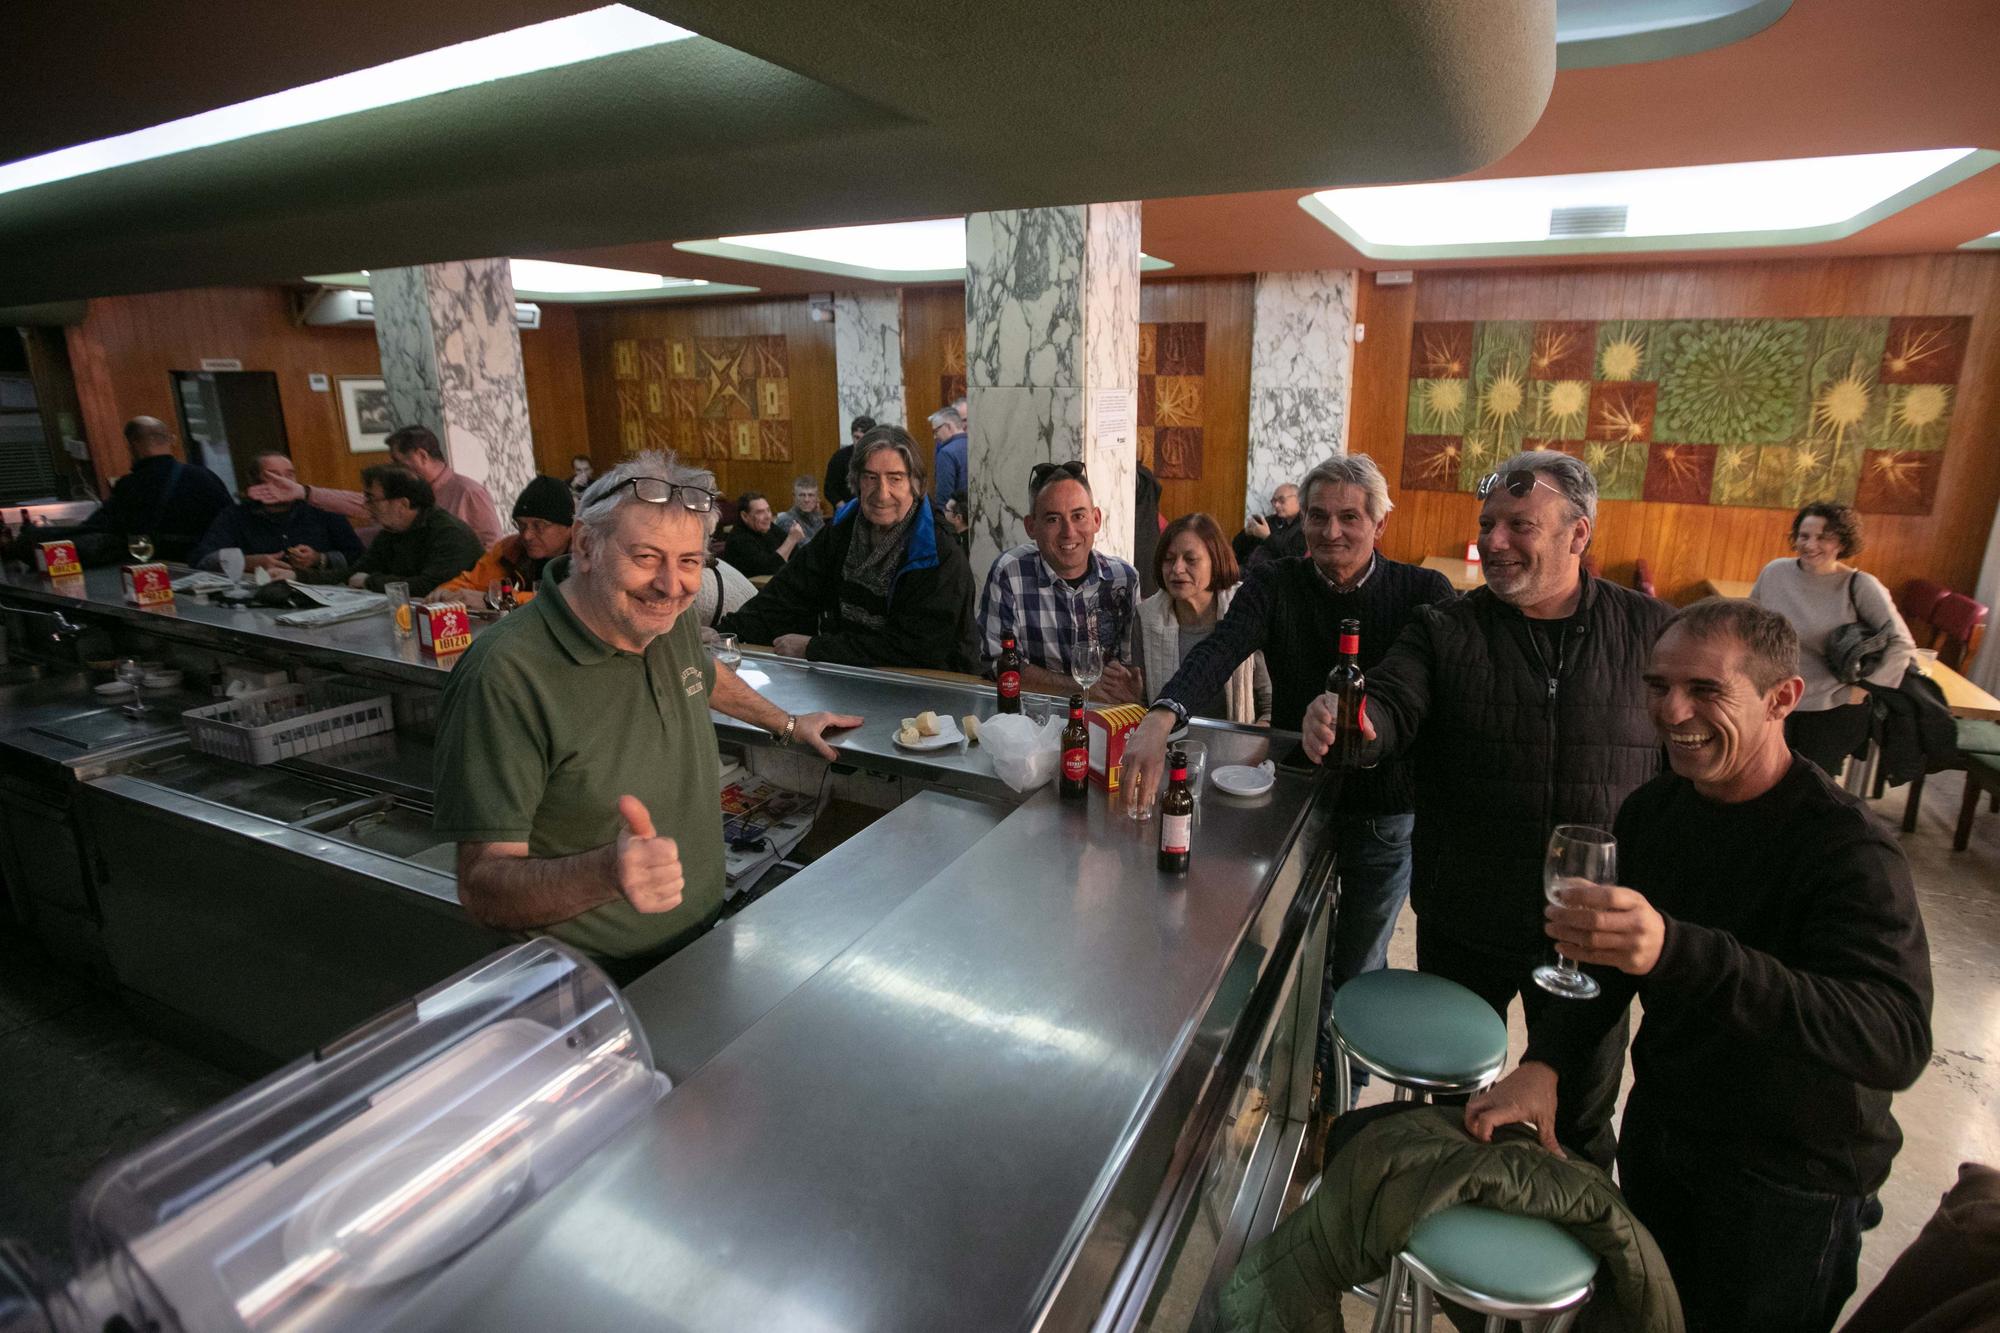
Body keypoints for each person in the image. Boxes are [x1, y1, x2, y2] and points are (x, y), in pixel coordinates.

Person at [1466, 598, 1932, 1333]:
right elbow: (1614, 968)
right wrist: (1547, 1061)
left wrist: (1679, 949)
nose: (1671, 711)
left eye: (1705, 690)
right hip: (1665, 1137)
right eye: (1657, 686)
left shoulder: (1847, 850)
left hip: (1787, 1186)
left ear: (1784, 698)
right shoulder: (1655, 811)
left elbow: (1894, 1037)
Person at [1302, 449, 1674, 1168]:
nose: (1494, 541)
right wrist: (1356, 718)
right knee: (1448, 1113)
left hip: (1588, 937)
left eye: (1519, 525)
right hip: (1466, 914)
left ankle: (1573, 1246)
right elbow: (1390, 701)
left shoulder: (1651, 635)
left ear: (1579, 534)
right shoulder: (1446, 629)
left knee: (1576, 1122)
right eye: (1488, 524)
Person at [432, 450, 861, 976]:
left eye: (689, 562)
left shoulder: (664, 619)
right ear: (586, 546)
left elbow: (701, 674)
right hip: (596, 975)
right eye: (645, 557)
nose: (671, 585)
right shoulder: (504, 676)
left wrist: (790, 724)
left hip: (704, 932)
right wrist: (608, 873)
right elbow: (482, 889)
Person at [1125, 456, 1454, 1097]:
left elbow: (1425, 704)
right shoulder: (1273, 583)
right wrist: (1163, 713)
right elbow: (1219, 649)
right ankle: (1289, 1075)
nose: (1331, 531)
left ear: (1380, 523)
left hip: (1385, 809)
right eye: (1318, 517)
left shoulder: (1423, 593)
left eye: (1349, 517)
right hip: (1297, 796)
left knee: (1359, 962)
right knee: (1288, 949)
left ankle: (1338, 1096)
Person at [720, 427, 980, 671]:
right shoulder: (841, 530)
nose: (882, 493)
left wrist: (815, 648)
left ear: (916, 485)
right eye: (871, 477)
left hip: (935, 692)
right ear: (856, 481)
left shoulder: (938, 551)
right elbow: (787, 593)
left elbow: (918, 648)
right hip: (851, 677)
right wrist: (726, 633)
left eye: (895, 478)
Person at [1750, 501, 1915, 777]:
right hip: (1775, 699)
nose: (1810, 544)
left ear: (1842, 542)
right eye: (1804, 536)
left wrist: (1867, 689)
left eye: (1823, 537)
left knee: (1806, 786)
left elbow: (1902, 644)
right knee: (1761, 778)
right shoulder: (1775, 572)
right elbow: (1751, 625)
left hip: (1832, 706)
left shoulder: (1860, 585)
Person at [976, 460, 1142, 703]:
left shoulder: (1124, 578)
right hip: (1032, 719)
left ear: (1096, 519)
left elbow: (1132, 668)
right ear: (1031, 527)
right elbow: (998, 665)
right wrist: (1081, 688)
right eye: (1053, 519)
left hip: (1106, 718)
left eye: (1079, 516)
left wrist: (1131, 684)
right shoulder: (1010, 573)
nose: (1069, 532)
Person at [248, 423, 505, 547]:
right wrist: (304, 492)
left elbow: (493, 546)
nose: (391, 467)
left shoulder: (467, 491)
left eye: (397, 460)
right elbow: (363, 504)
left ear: (422, 456)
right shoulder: (400, 491)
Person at [1131, 513, 1271, 725]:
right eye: (1169, 559)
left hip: (1239, 752)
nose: (1177, 569)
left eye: (1191, 559)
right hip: (1168, 748)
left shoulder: (1246, 608)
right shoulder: (1146, 617)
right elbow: (1143, 705)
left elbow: (1269, 706)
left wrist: (1250, 748)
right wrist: (1128, 697)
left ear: (1216, 561)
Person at [46, 416, 231, 565]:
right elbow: (228, 520)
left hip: (151, 565)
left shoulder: (129, 485)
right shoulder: (204, 477)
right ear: (171, 439)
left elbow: (102, 526)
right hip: (199, 562)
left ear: (132, 444)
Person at [292, 464, 483, 596]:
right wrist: (296, 576)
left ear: (402, 503)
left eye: (371, 499)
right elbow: (355, 572)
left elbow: (431, 586)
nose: (366, 506)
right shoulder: (391, 531)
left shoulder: (450, 534)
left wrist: (370, 581)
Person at [188, 451, 363, 574]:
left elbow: (358, 556)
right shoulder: (235, 516)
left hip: (321, 588)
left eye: (289, 475)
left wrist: (320, 559)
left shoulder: (321, 508)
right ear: (255, 481)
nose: (284, 482)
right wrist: (246, 562)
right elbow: (201, 560)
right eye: (273, 475)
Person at [435, 475, 576, 605]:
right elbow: (472, 582)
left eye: (538, 526)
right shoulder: (510, 549)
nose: (527, 535)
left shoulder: (587, 553)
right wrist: (445, 593)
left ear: (568, 526)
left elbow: (567, 601)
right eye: (521, 525)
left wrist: (493, 600)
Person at [721, 492, 802, 576]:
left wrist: (792, 541)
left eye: (768, 510)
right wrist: (791, 540)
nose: (768, 516)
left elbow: (795, 554)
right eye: (760, 512)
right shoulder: (738, 539)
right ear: (744, 516)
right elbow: (769, 568)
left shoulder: (768, 527)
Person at [1233, 482, 1300, 565]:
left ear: (1299, 499)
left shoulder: (1305, 526)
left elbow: (1293, 558)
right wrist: (1246, 533)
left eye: (1282, 500)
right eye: (1274, 501)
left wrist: (1267, 537)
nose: (1276, 505)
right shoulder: (1271, 521)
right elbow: (1236, 547)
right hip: (1248, 570)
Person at [823, 415, 874, 509]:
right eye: (856, 437)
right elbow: (829, 489)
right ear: (852, 436)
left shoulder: (879, 457)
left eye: (864, 438)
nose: (859, 442)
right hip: (847, 511)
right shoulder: (840, 457)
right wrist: (844, 508)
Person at [927, 406, 968, 514]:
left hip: (956, 519)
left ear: (948, 426)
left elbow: (944, 497)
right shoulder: (976, 444)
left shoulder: (946, 453)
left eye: (936, 431)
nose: (935, 437)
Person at [772, 476, 826, 543]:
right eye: (802, 495)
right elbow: (807, 550)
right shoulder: (785, 520)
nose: (806, 500)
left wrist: (817, 516)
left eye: (811, 495)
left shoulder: (816, 517)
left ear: (817, 497)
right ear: (794, 496)